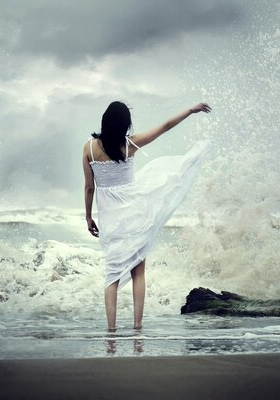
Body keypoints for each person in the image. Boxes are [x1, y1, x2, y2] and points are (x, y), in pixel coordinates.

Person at [82, 101, 211, 331]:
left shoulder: (89, 149)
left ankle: (111, 330)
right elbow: (164, 127)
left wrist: (88, 217)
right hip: (135, 215)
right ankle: (137, 326)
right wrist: (189, 111)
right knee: (138, 273)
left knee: (111, 276)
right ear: (124, 124)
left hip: (110, 219)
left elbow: (89, 187)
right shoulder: (130, 144)